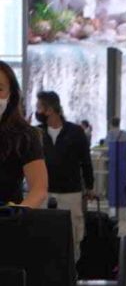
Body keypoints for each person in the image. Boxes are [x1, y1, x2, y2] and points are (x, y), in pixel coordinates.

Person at [34, 91, 94, 259]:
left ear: (50, 109)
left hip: (70, 192)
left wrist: (89, 186)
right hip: (44, 192)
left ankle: (72, 274)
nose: (37, 111)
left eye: (39, 107)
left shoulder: (75, 132)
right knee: (43, 235)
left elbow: (86, 161)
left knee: (73, 235)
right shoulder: (36, 133)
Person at [0, 60, 47, 208]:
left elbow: (38, 190)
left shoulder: (24, 136)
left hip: (7, 225)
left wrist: (18, 213)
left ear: (10, 95)